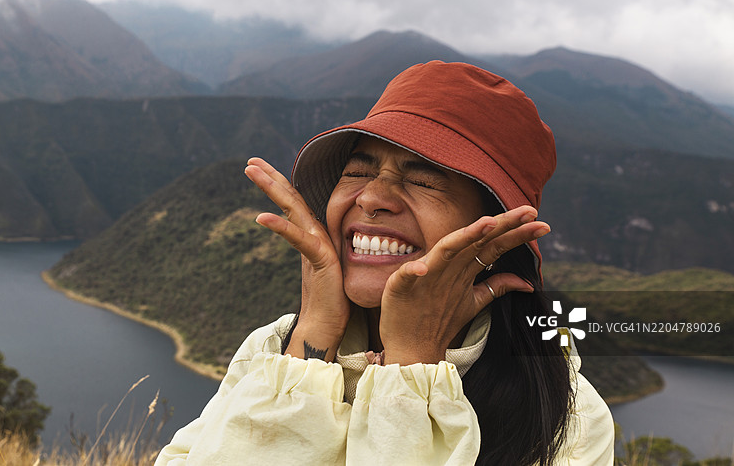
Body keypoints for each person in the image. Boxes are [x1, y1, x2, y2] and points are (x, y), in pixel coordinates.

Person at [155, 61, 614, 465]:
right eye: (356, 171)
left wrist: (411, 371)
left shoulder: (565, 416)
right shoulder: (274, 352)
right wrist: (312, 337)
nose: (372, 197)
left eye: (424, 180)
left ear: (493, 231)